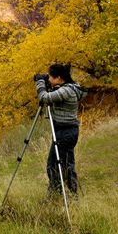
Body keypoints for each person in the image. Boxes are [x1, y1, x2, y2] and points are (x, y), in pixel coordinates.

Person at [34, 63, 86, 196]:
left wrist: (40, 82)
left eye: (50, 77)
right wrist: (46, 79)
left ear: (59, 78)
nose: (49, 80)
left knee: (55, 165)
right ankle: (68, 194)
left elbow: (44, 97)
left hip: (65, 132)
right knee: (65, 164)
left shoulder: (66, 91)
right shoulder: (66, 87)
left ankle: (58, 196)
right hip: (65, 131)